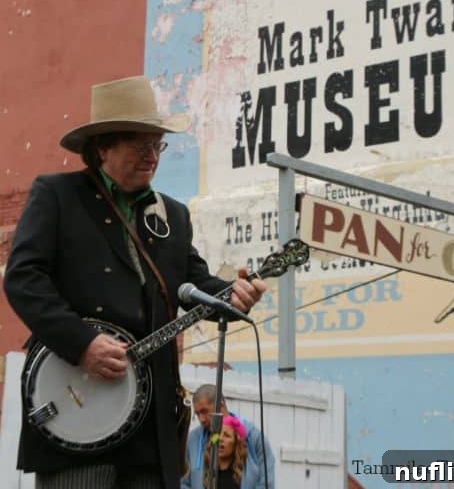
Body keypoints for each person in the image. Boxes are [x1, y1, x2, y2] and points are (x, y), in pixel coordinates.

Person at [4, 75, 266, 489]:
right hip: (80, 419)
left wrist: (234, 295)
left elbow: (195, 283)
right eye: (140, 145)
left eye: (157, 144)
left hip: (152, 427)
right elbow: (22, 278)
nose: (152, 156)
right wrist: (81, 343)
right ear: (103, 147)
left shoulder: (172, 215)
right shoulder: (57, 195)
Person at [183, 384, 275, 489]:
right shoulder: (193, 440)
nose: (202, 419)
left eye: (204, 411)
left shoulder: (254, 438)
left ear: (221, 405)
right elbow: (183, 482)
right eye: (197, 414)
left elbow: (267, 483)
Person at [203, 416, 261, 489]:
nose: (220, 438)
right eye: (217, 434)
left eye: (226, 435)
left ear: (236, 443)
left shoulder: (245, 476)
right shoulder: (205, 471)